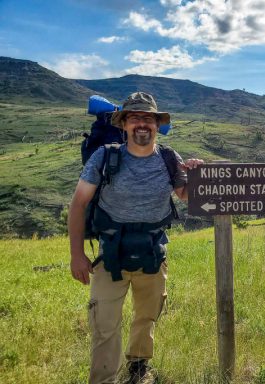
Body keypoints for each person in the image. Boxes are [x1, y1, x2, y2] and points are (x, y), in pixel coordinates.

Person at [68, 92, 204, 384]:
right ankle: (103, 379)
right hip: (110, 255)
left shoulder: (169, 157)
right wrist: (77, 255)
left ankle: (138, 367)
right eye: (135, 118)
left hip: (153, 254)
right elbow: (79, 203)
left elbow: (184, 195)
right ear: (124, 124)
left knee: (147, 317)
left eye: (148, 118)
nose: (142, 124)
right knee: (104, 325)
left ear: (156, 124)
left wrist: (195, 174)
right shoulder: (104, 157)